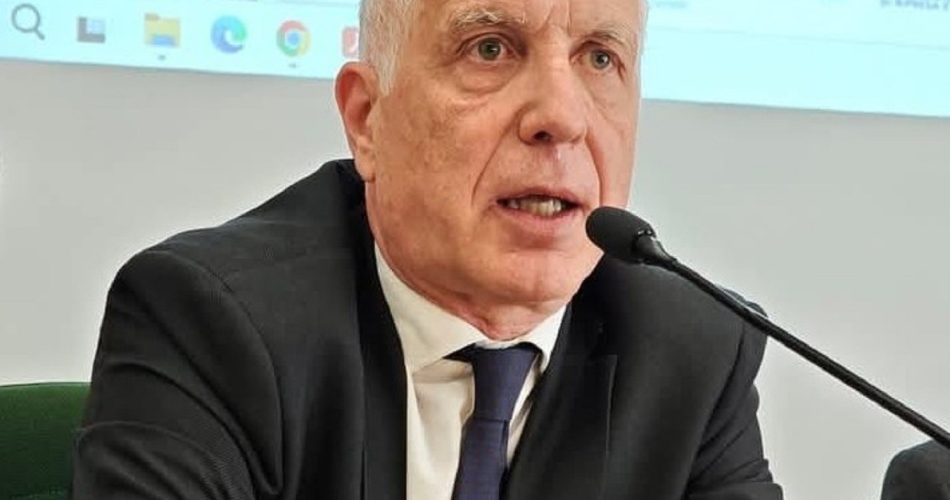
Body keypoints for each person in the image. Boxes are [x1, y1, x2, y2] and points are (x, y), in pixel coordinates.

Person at [71, 0, 783, 498]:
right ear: (367, 120)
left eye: (600, 58)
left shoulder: (695, 350)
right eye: (490, 48)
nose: (562, 117)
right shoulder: (209, 321)